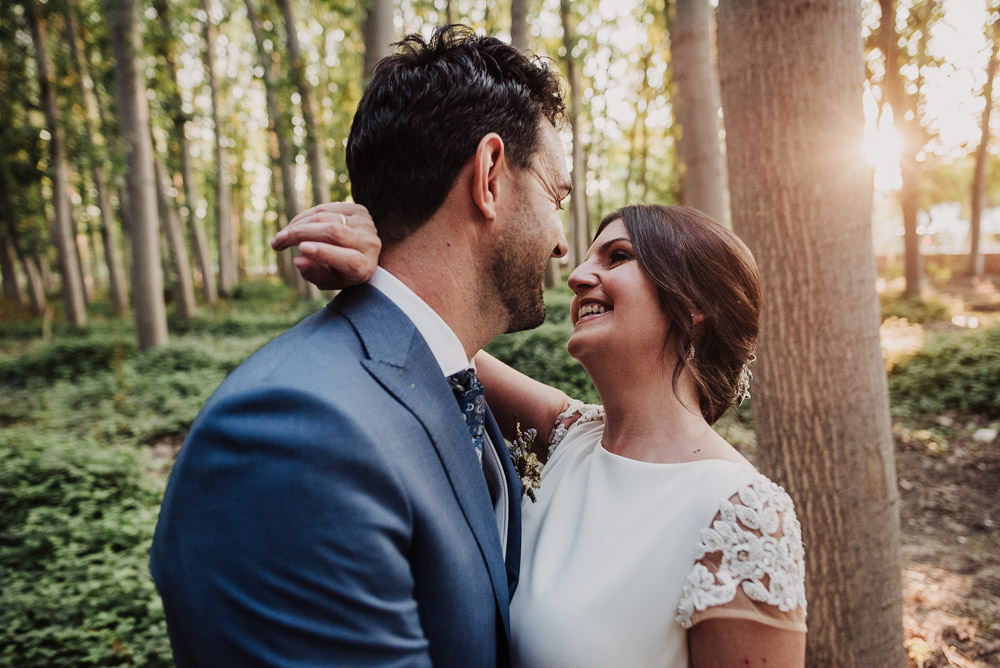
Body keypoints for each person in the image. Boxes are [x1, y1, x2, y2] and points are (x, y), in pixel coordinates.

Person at [150, 26, 569, 667]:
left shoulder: (441, 376)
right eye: (555, 195)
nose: (564, 243)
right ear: (489, 175)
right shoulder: (294, 435)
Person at [284, 203, 808, 667]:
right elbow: (436, 336)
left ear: (694, 304)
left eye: (617, 256)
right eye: (588, 258)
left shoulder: (744, 515)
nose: (578, 274)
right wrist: (378, 257)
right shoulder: (566, 436)